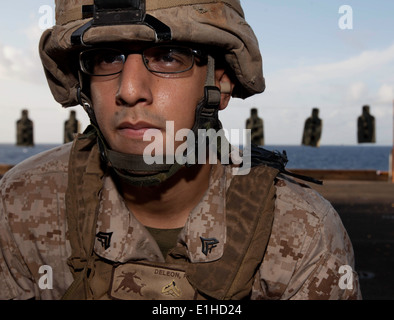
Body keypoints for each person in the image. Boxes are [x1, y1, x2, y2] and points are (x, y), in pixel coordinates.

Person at [0, 0, 361, 300]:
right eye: (108, 59)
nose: (129, 90)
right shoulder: (20, 205)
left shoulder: (300, 229)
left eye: (168, 57)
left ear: (219, 83)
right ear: (84, 84)